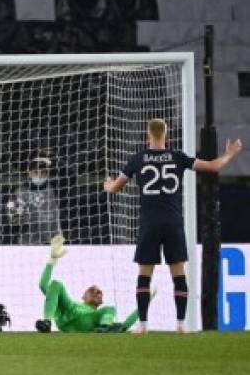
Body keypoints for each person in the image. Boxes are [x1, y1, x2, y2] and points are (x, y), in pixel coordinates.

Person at [104, 119, 242, 334]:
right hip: (173, 222)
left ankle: (142, 325)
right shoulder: (177, 157)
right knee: (178, 273)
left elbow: (114, 188)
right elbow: (213, 166)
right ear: (167, 137)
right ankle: (180, 324)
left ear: (147, 136)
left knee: (144, 274)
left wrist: (107, 185)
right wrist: (230, 153)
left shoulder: (137, 159)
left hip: (149, 223)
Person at [36, 235, 142, 333]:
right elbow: (43, 285)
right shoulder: (69, 305)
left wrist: (145, 302)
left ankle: (105, 328)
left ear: (101, 302)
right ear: (83, 296)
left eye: (99, 292)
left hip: (88, 322)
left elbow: (123, 327)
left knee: (111, 309)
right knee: (56, 283)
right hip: (68, 312)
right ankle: (47, 322)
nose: (96, 292)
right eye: (92, 290)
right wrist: (52, 259)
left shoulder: (99, 315)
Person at [6, 154, 62, 245]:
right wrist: (17, 220)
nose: (39, 176)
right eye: (36, 172)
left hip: (52, 242)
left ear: (48, 173)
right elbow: (13, 220)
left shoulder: (55, 188)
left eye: (43, 172)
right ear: (30, 173)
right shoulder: (20, 192)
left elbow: (72, 176)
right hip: (27, 243)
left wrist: (54, 159)